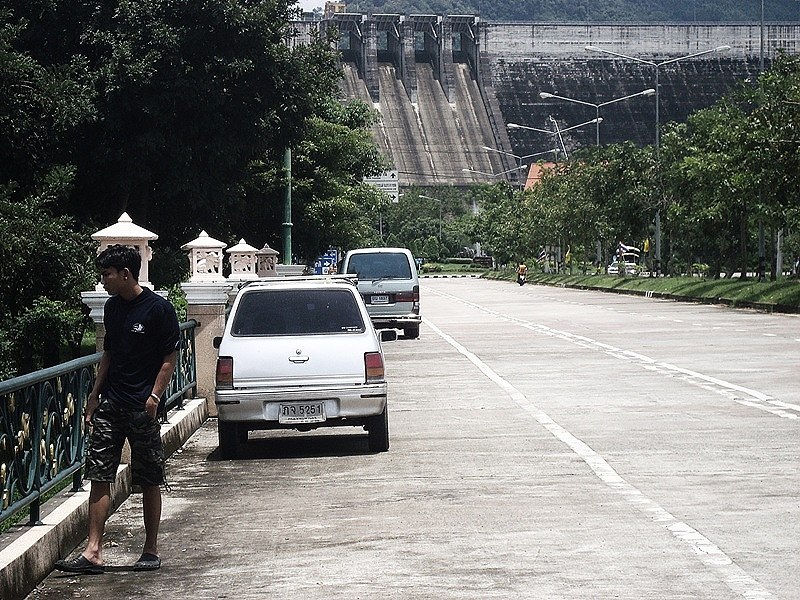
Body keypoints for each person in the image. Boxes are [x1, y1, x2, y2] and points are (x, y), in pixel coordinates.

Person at [55, 245, 180, 575]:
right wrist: (95, 394)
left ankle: (150, 549)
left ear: (126, 274)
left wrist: (154, 398)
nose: (104, 281)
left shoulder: (158, 309)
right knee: (99, 474)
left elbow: (169, 359)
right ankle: (93, 552)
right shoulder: (112, 308)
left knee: (149, 477)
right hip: (111, 403)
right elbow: (108, 354)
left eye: (107, 275)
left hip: (143, 408)